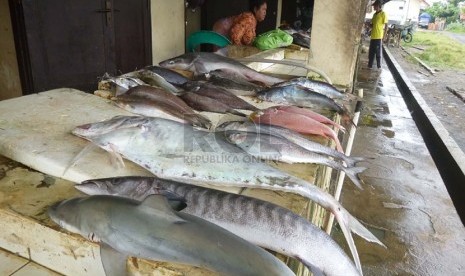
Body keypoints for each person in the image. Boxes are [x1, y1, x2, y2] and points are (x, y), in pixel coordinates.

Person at [368, 0, 388, 69]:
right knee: (371, 52)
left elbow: (386, 26)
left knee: (378, 53)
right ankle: (369, 66)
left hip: (379, 36)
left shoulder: (383, 14)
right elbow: (372, 25)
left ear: (378, 6)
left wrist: (384, 36)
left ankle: (379, 67)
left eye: (374, 6)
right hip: (373, 36)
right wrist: (367, 24)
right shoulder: (374, 15)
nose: (373, 7)